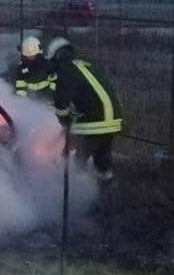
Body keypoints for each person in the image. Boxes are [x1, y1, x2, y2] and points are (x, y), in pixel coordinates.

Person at [45, 37, 122, 181]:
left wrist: (64, 119)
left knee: (78, 159)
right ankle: (106, 186)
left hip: (94, 121)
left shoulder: (66, 68)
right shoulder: (88, 63)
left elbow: (61, 102)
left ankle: (77, 191)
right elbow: (89, 92)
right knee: (102, 156)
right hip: (113, 117)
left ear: (56, 56)